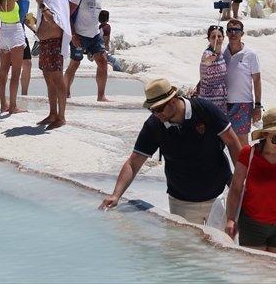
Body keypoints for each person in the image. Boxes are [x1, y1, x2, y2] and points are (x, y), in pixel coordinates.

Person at [100, 78, 242, 225]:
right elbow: (133, 163)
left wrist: (240, 183)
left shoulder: (205, 110)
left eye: (159, 109)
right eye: (152, 109)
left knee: (221, 245)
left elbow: (232, 143)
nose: (156, 114)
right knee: (184, 247)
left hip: (218, 196)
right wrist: (115, 195)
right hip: (181, 201)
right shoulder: (154, 125)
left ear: (173, 100)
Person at [225, 107, 276, 257]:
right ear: (265, 134)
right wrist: (230, 219)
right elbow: (236, 188)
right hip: (252, 225)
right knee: (255, 277)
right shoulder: (248, 153)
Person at [0, 0, 35, 114]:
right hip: (15, 32)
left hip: (4, 31)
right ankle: (13, 106)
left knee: (3, 71)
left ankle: (3, 104)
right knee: (16, 72)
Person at [65, 0, 109, 102]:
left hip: (95, 35)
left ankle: (101, 96)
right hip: (79, 35)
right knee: (75, 64)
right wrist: (73, 34)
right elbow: (67, 14)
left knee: (103, 62)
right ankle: (65, 93)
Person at [36, 0, 72, 129]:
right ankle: (52, 113)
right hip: (45, 45)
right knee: (48, 81)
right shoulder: (47, 3)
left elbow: (53, 20)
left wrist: (42, 5)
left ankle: (61, 116)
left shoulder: (54, 3)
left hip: (54, 46)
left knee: (57, 80)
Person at [222, 18, 262, 143]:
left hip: (243, 104)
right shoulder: (222, 53)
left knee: (242, 143)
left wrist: (258, 106)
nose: (233, 33)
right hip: (223, 104)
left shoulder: (250, 55)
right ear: (227, 33)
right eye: (230, 30)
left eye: (237, 30)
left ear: (242, 33)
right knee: (223, 141)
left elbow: (257, 80)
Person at [195, 24, 228, 112]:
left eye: (219, 36)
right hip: (208, 101)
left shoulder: (222, 54)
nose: (217, 39)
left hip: (221, 101)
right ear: (209, 39)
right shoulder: (207, 53)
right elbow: (206, 61)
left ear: (223, 38)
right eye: (213, 37)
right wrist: (210, 59)